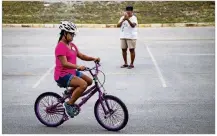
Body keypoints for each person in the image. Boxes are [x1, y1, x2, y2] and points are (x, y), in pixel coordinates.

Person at [54, 21, 100, 118]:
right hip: (62, 75)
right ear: (64, 33)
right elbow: (64, 63)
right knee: (83, 84)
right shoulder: (60, 46)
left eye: (74, 34)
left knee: (89, 81)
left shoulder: (72, 45)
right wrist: (78, 66)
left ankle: (70, 92)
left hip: (71, 72)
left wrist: (93, 58)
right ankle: (68, 104)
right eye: (71, 34)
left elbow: (81, 56)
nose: (73, 36)